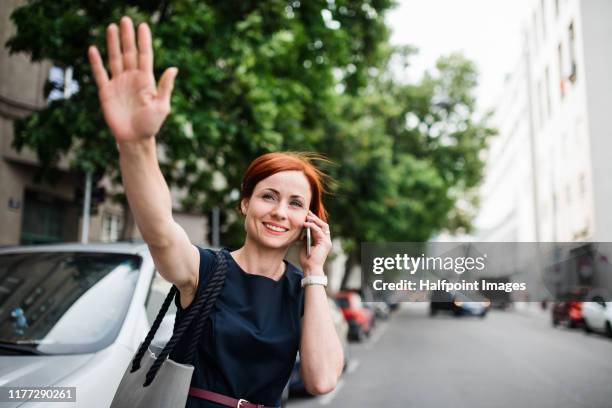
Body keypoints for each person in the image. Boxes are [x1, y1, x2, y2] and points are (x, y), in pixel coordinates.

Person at [88, 16, 343, 408]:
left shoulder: (302, 290)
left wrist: (314, 272)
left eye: (296, 204)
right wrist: (137, 145)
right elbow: (159, 228)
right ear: (245, 203)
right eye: (268, 196)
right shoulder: (205, 271)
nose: (279, 212)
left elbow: (322, 378)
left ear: (309, 222)